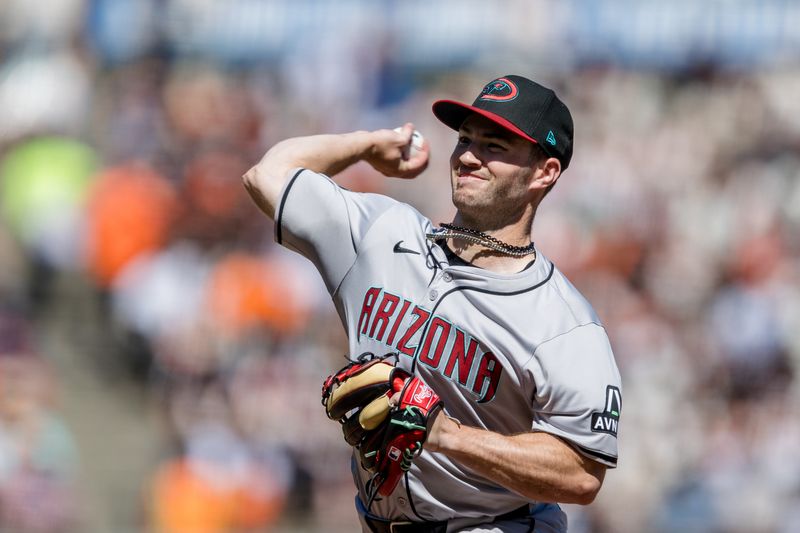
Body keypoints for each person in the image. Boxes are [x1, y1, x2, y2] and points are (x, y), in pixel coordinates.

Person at [243, 75, 622, 532]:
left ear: (544, 172)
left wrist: (445, 435)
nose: (467, 156)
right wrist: (367, 144)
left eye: (495, 146)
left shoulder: (563, 322)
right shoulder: (382, 236)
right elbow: (266, 175)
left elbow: (581, 474)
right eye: (465, 139)